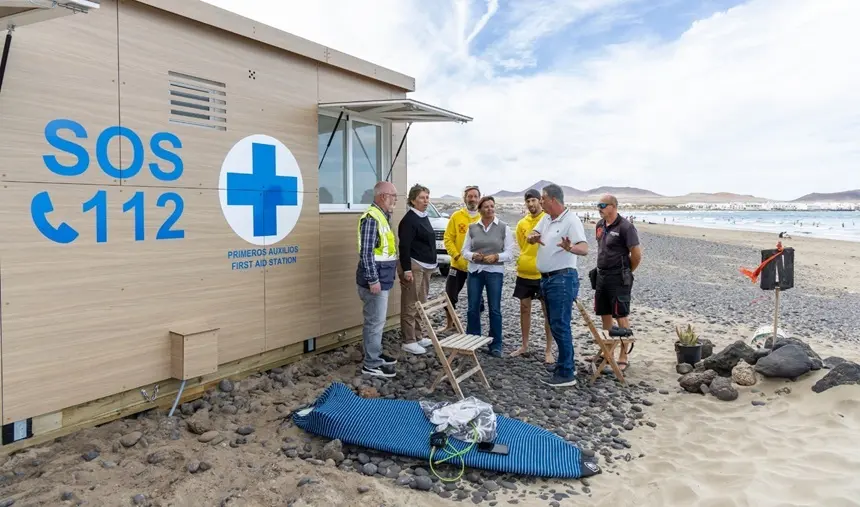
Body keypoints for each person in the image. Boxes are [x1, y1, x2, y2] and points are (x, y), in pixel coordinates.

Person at [526, 184, 588, 387]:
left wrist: (571, 248)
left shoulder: (571, 220)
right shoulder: (546, 219)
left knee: (560, 324)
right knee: (555, 323)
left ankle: (567, 374)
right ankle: (565, 363)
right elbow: (532, 234)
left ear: (553, 199)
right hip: (547, 278)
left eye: (543, 198)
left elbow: (584, 248)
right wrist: (532, 237)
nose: (540, 201)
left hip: (562, 279)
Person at [593, 194, 642, 371]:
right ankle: (608, 351)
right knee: (605, 314)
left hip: (619, 277)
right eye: (597, 205)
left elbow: (636, 255)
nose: (599, 208)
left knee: (620, 315)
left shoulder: (626, 227)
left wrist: (626, 273)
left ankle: (624, 354)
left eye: (602, 205)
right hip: (602, 276)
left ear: (613, 206)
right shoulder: (599, 225)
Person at [356, 181, 400, 378]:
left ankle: (375, 353)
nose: (395, 201)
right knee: (375, 321)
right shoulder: (373, 218)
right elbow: (367, 253)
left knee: (376, 321)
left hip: (383, 277)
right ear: (383, 196)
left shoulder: (382, 216)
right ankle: (372, 364)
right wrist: (373, 280)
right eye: (394, 196)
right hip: (375, 281)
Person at [460, 196, 514, 357]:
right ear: (480, 209)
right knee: (472, 307)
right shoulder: (472, 228)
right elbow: (464, 251)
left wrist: (497, 257)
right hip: (475, 271)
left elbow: (510, 253)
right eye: (486, 207)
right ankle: (472, 340)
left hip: (494, 272)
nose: (490, 209)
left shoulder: (504, 228)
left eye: (492, 206)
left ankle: (496, 344)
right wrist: (472, 255)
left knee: (495, 309)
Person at [512, 189, 554, 363]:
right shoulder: (522, 223)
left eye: (534, 200)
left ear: (540, 201)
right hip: (525, 273)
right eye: (528, 201)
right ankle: (524, 345)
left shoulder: (548, 220)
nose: (531, 204)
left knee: (547, 312)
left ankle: (549, 350)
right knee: (524, 309)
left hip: (543, 273)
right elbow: (522, 246)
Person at [397, 184, 437, 355]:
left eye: (427, 197)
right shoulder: (409, 220)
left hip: (426, 266)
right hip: (414, 266)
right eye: (422, 197)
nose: (425, 200)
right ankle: (409, 340)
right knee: (410, 303)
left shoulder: (424, 216)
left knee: (421, 303)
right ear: (413, 200)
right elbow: (404, 246)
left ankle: (419, 336)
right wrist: (406, 269)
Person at [443, 185, 485, 314]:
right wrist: (456, 256)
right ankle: (450, 324)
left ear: (480, 198)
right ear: (465, 198)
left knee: (477, 298)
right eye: (469, 196)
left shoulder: (484, 217)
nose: (472, 199)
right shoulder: (456, 216)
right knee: (449, 296)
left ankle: (474, 324)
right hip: (458, 264)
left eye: (475, 196)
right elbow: (448, 239)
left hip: (477, 266)